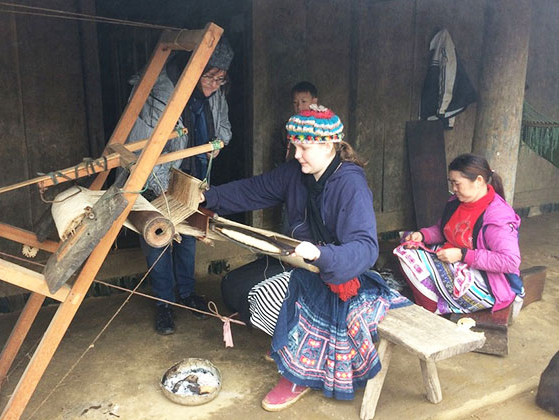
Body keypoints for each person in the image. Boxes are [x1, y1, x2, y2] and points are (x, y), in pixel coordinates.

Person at [202, 105, 409, 410]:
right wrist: (207, 197)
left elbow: (365, 247)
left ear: (328, 146)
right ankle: (287, 338)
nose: (296, 154)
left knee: (266, 299)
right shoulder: (295, 173)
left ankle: (301, 372)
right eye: (294, 146)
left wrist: (322, 255)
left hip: (339, 275)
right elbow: (253, 190)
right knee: (233, 286)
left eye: (303, 147)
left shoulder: (350, 185)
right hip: (301, 263)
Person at [126, 37, 234, 335]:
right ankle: (164, 303)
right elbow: (137, 142)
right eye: (209, 76)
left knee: (187, 238)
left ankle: (186, 295)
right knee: (158, 241)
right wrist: (149, 183)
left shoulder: (215, 95)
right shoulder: (160, 91)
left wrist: (217, 145)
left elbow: (224, 130)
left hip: (191, 179)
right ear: (192, 68)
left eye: (221, 78)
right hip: (155, 179)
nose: (214, 84)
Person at [394, 153, 524, 316]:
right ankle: (432, 301)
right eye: (452, 183)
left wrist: (463, 255)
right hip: (459, 258)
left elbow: (510, 262)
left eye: (457, 183)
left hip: (488, 283)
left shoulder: (497, 216)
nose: (453, 189)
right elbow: (444, 230)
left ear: (478, 181)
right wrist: (422, 235)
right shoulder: (456, 202)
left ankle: (432, 309)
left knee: (411, 260)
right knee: (407, 247)